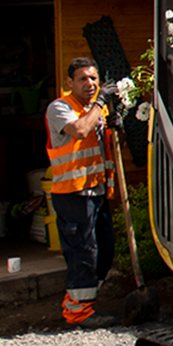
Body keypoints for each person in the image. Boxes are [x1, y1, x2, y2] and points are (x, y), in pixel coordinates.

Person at [46, 56, 116, 328]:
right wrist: (100, 103)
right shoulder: (60, 108)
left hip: (96, 191)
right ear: (70, 82)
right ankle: (78, 312)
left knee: (105, 250)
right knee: (82, 252)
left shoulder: (96, 109)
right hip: (72, 194)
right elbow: (80, 129)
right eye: (83, 79)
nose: (90, 83)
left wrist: (114, 124)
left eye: (94, 78)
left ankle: (86, 300)